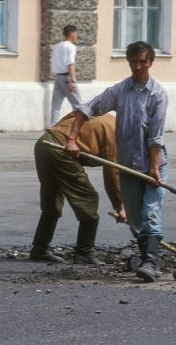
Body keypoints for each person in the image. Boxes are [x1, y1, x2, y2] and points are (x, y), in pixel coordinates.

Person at [64, 41, 168, 283]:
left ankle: (150, 263)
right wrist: (72, 138)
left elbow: (156, 136)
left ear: (150, 62)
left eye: (143, 61)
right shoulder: (121, 91)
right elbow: (85, 109)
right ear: (129, 62)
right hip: (128, 167)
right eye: (134, 61)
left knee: (151, 213)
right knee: (134, 218)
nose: (139, 66)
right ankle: (148, 260)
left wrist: (154, 169)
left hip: (153, 166)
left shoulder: (158, 94)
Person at [30, 113, 125, 265]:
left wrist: (58, 132)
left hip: (45, 142)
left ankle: (39, 249)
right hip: (59, 149)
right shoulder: (117, 134)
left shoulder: (107, 117)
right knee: (88, 197)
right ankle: (84, 253)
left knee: (52, 197)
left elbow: (75, 113)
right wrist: (119, 206)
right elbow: (112, 174)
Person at [50, 25, 82, 126]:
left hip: (58, 77)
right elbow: (70, 63)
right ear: (71, 33)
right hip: (67, 78)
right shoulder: (71, 47)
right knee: (78, 105)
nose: (76, 35)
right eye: (76, 33)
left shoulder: (57, 46)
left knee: (56, 106)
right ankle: (78, 128)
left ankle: (52, 129)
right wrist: (73, 80)